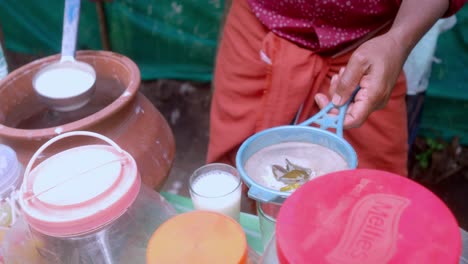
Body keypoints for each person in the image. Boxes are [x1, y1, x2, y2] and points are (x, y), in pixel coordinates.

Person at [207, 0, 466, 177]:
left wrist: (397, 42)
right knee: (234, 175)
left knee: (371, 196)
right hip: (257, 29)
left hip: (368, 51)